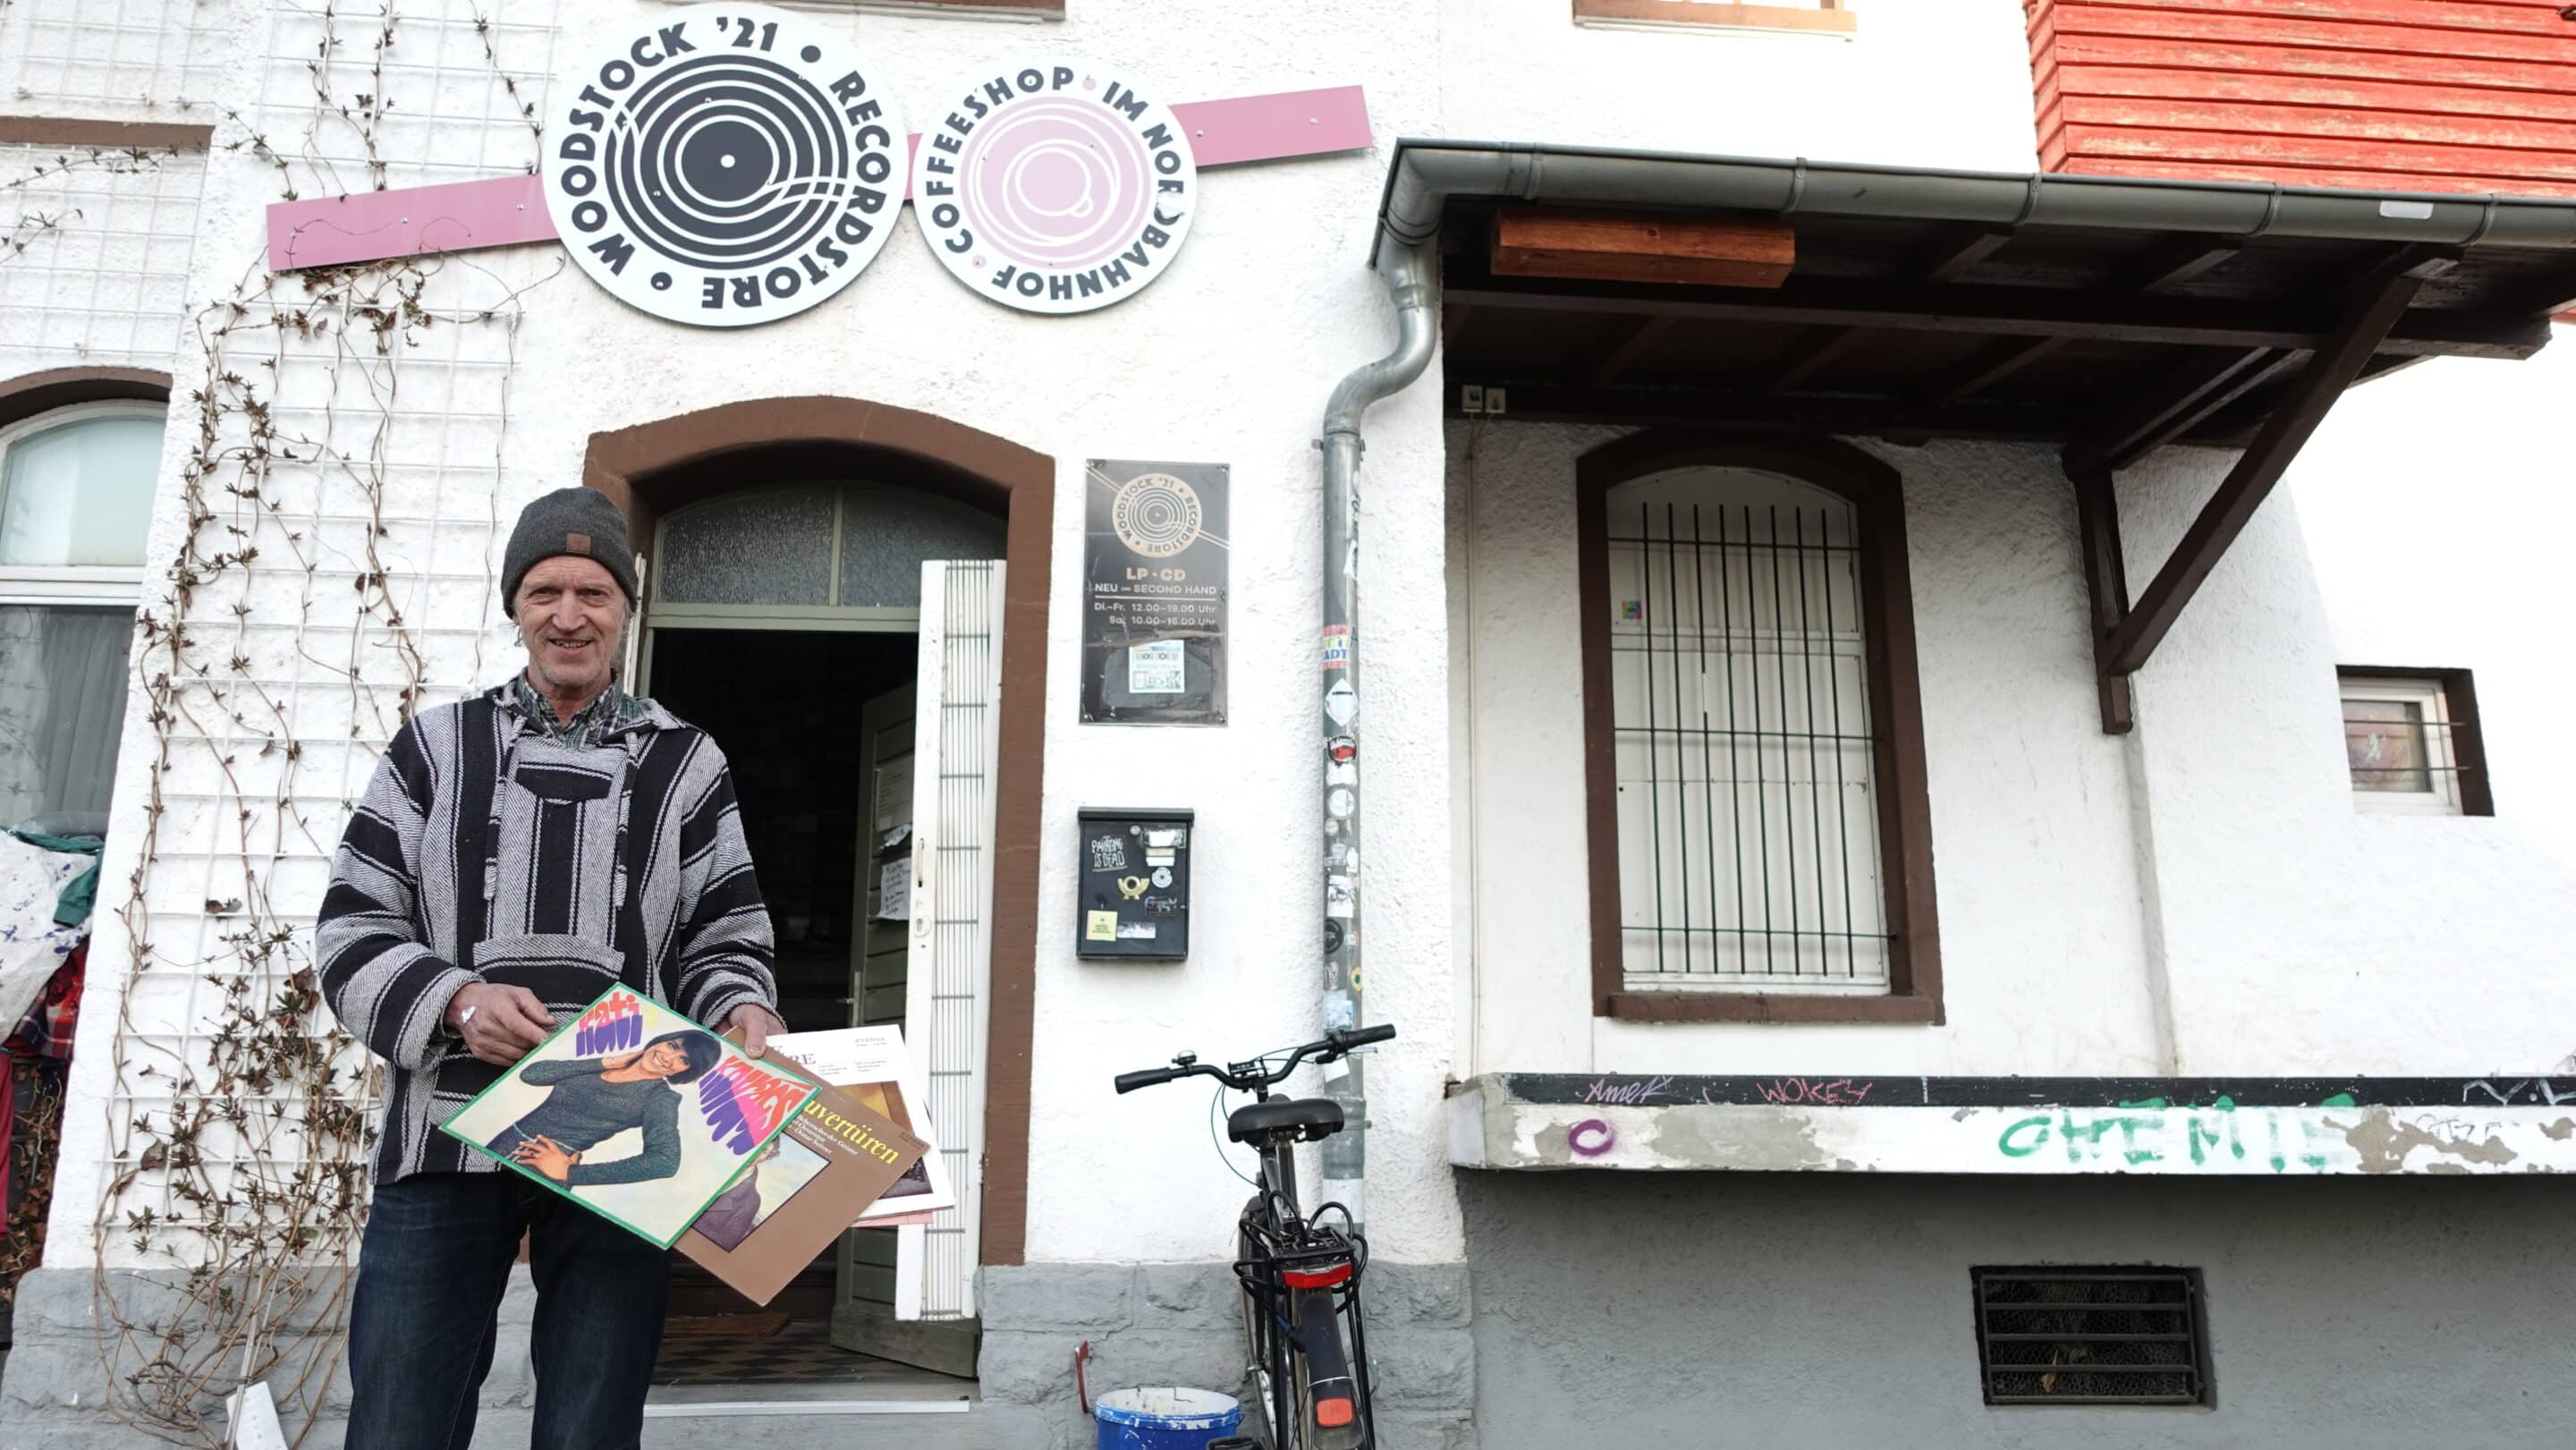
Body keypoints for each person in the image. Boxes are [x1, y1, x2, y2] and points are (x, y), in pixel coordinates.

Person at [318, 486, 785, 1450]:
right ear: (514, 606)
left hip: (627, 1153)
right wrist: (453, 999)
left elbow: (722, 933)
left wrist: (743, 1008)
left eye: (593, 592)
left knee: (590, 1428)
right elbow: (351, 928)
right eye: (543, 591)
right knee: (400, 1421)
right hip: (444, 1132)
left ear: (626, 609)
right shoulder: (434, 750)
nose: (568, 615)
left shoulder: (686, 763)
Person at [491, 1029, 724, 1188]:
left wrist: (570, 1174)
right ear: (661, 1040)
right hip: (501, 1143)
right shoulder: (605, 1064)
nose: (669, 1057)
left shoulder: (660, 1098)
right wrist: (606, 1062)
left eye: (684, 1060)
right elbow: (531, 1075)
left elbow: (665, 1162)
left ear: (686, 1072)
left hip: (541, 1169)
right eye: (672, 1045)